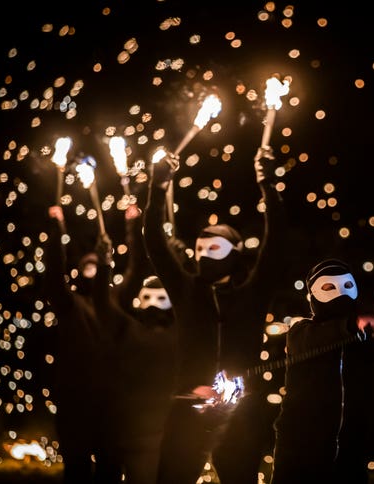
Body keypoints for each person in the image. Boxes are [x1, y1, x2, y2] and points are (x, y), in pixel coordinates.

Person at [142, 145, 287, 484]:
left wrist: (268, 185)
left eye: (215, 248)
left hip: (241, 412)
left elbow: (276, 242)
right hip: (187, 405)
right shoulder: (185, 288)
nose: (205, 254)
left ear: (235, 253)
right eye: (201, 248)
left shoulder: (252, 292)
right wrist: (157, 187)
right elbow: (154, 243)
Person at [270, 258, 374, 484]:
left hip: (349, 444)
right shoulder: (301, 331)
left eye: (346, 286)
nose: (339, 294)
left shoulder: (359, 339)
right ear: (313, 295)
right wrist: (351, 326)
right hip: (302, 445)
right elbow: (318, 338)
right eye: (328, 287)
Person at [90, 202, 181, 484]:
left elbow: (190, 292)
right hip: (119, 428)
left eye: (160, 298)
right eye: (147, 298)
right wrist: (104, 265)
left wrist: (177, 263)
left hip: (157, 433)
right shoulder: (126, 329)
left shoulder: (181, 332)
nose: (153, 305)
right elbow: (103, 304)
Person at [44, 205, 123, 484]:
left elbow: (135, 272)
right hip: (75, 400)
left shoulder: (116, 306)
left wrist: (132, 226)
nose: (92, 269)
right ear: (78, 272)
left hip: (110, 401)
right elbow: (53, 273)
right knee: (77, 471)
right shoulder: (69, 304)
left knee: (110, 469)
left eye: (97, 265)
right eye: (87, 265)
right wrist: (57, 231)